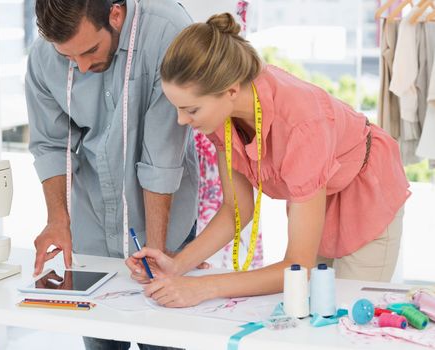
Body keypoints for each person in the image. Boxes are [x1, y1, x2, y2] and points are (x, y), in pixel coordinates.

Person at [126, 13, 411, 308]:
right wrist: (177, 265)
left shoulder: (302, 125)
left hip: (365, 192)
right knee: (312, 310)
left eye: (191, 110)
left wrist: (202, 288)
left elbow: (298, 268)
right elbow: (236, 209)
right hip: (320, 194)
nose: (182, 120)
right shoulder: (222, 113)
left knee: (350, 314)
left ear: (231, 90)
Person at [26, 0, 198, 348]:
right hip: (93, 228)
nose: (83, 67)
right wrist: (57, 219)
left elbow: (161, 158)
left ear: (115, 15)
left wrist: (157, 250)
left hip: (167, 224)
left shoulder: (168, 32)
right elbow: (50, 145)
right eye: (70, 58)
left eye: (90, 51)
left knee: (164, 340)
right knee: (101, 341)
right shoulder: (44, 56)